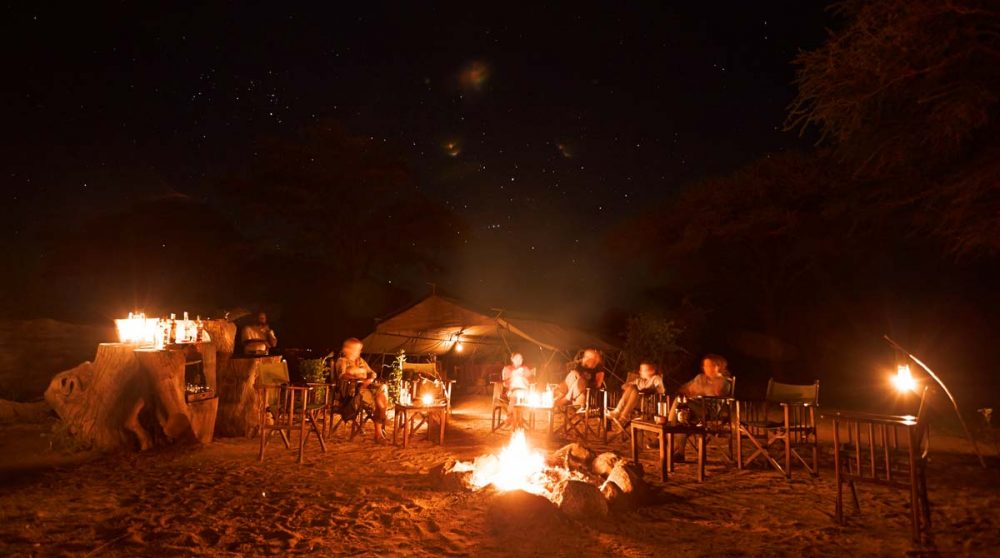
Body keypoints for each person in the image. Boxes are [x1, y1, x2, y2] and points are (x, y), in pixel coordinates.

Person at [670, 353, 732, 461]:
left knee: (679, 403)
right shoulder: (700, 378)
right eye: (705, 366)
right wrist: (690, 391)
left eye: (711, 365)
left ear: (719, 366)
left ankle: (669, 425)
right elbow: (685, 389)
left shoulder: (725, 381)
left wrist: (703, 389)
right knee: (683, 419)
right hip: (695, 407)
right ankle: (680, 453)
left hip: (711, 411)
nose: (707, 368)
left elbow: (719, 394)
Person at [335, 337, 389, 443]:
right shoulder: (342, 361)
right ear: (347, 349)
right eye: (356, 349)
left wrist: (370, 379)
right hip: (351, 393)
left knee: (383, 389)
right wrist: (359, 371)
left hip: (364, 389)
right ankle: (379, 430)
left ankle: (381, 414)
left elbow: (373, 373)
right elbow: (343, 375)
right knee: (379, 403)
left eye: (360, 349)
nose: (359, 352)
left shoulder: (360, 361)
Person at [500, 352, 535, 428]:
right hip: (512, 391)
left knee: (519, 397)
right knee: (516, 396)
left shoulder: (525, 369)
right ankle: (517, 422)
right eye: (517, 358)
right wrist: (514, 374)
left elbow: (532, 380)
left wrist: (527, 376)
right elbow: (505, 383)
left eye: (521, 358)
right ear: (512, 359)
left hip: (525, 392)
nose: (519, 360)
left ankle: (510, 417)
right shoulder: (507, 368)